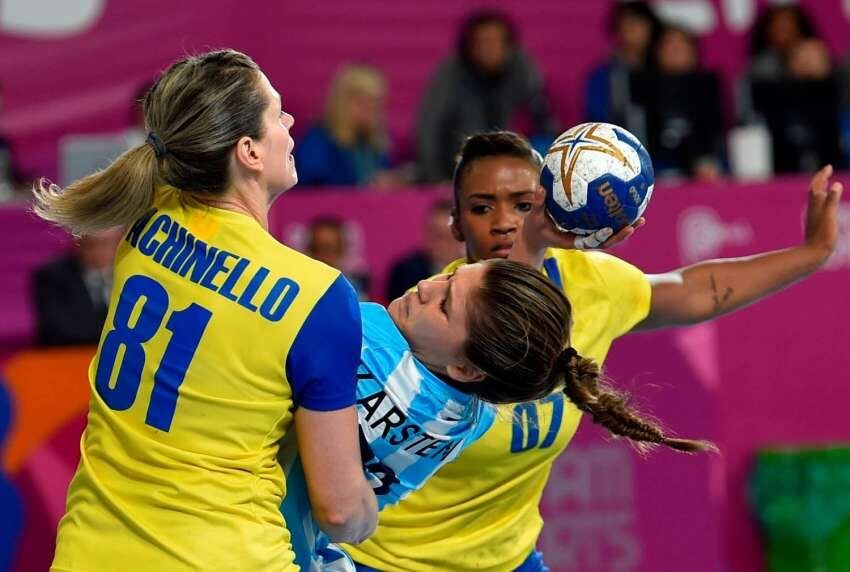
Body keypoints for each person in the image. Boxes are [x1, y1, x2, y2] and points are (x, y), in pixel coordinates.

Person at [345, 131, 844, 572]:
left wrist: (810, 254)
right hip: (386, 562)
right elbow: (503, 300)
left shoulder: (592, 284)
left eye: (523, 204)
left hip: (507, 559)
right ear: (455, 225)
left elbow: (699, 289)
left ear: (555, 199)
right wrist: (538, 236)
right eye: (481, 207)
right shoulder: (433, 314)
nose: (504, 223)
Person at [34, 49, 377, 571]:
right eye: (276, 113)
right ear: (249, 152)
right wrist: (373, 514)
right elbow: (339, 509)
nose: (289, 124)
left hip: (89, 552)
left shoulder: (148, 219)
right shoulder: (319, 297)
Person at [285, 257, 711, 571]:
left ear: (466, 369)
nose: (426, 288)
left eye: (445, 306)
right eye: (449, 275)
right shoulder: (474, 421)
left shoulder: (365, 331)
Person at [415, 10, 558, 183]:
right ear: (469, 46)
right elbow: (429, 129)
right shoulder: (450, 74)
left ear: (509, 46)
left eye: (496, 42)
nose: (489, 49)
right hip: (457, 172)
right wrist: (436, 179)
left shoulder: (523, 69)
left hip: (514, 172)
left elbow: (545, 122)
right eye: (483, 42)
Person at [296, 64, 398, 187]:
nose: (369, 110)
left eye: (374, 103)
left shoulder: (376, 145)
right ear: (342, 102)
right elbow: (310, 187)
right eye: (361, 102)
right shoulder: (317, 143)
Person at [31, 227, 124, 346]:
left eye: (105, 244)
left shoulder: (132, 275)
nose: (99, 251)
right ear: (78, 242)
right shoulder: (52, 276)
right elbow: (59, 329)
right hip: (68, 356)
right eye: (91, 245)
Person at [584, 0, 662, 125]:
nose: (636, 30)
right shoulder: (603, 74)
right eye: (629, 23)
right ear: (617, 30)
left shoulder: (663, 69)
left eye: (641, 23)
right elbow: (597, 119)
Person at [385, 198, 463, 300]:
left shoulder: (471, 272)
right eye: (435, 235)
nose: (440, 244)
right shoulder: (405, 271)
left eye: (447, 237)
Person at [306, 216, 371, 300]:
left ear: (342, 248)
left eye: (333, 248)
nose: (327, 255)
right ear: (310, 248)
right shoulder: (300, 284)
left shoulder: (353, 288)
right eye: (321, 248)